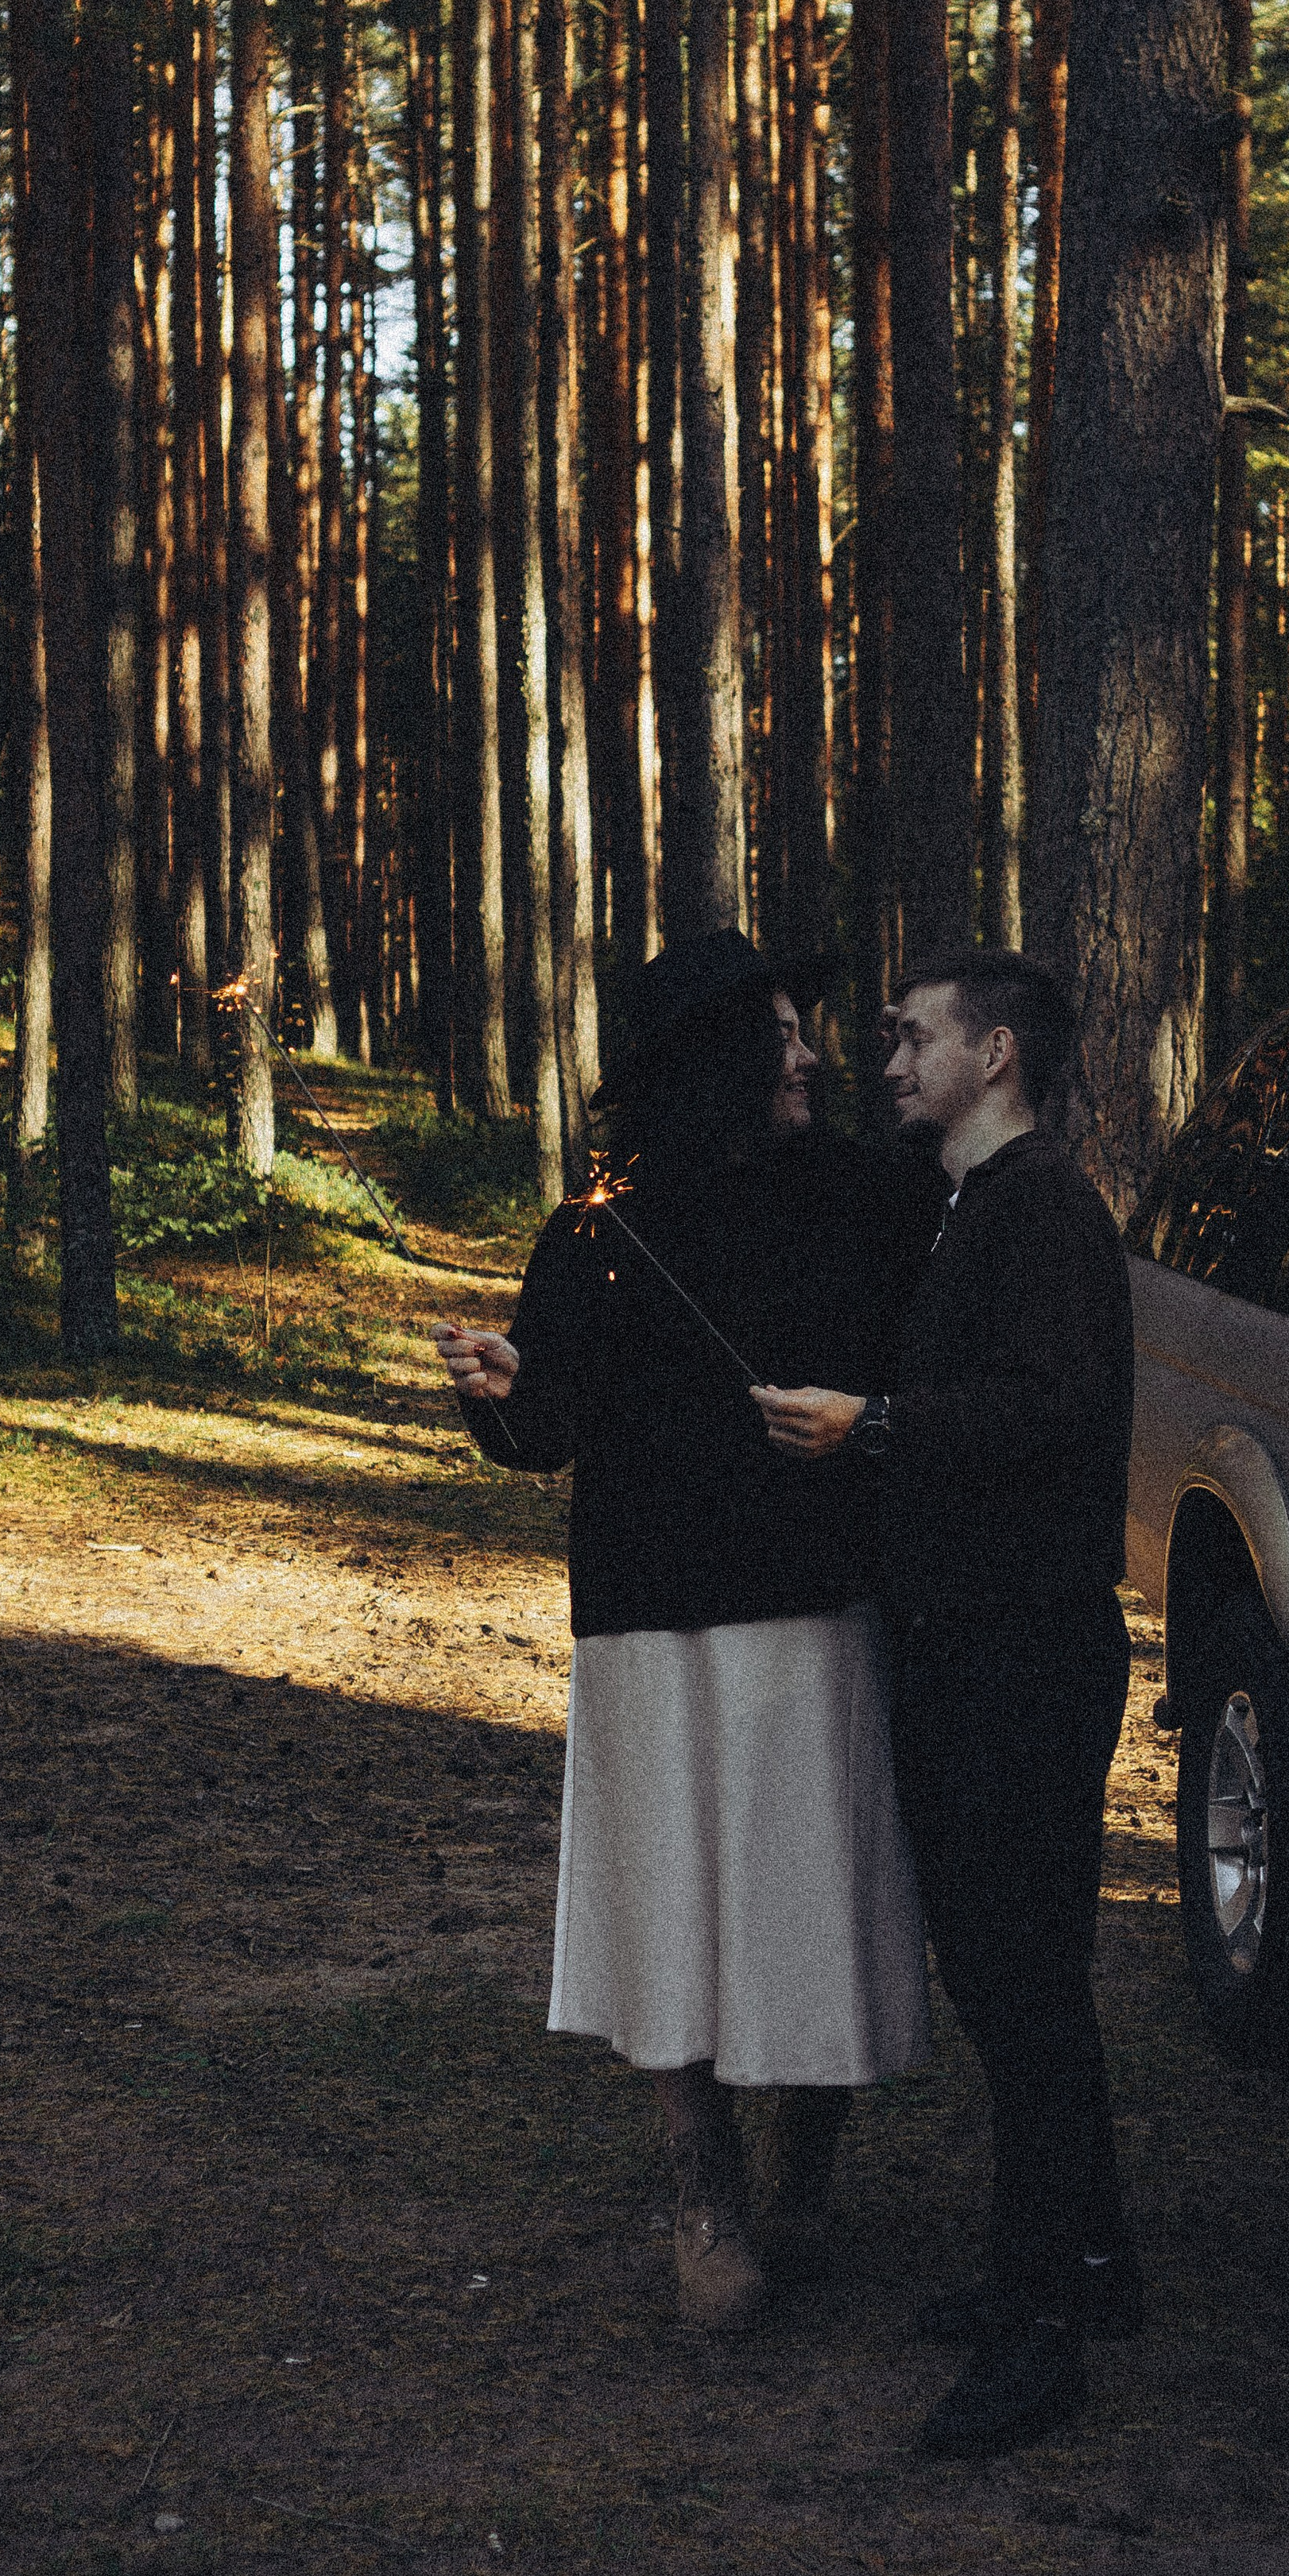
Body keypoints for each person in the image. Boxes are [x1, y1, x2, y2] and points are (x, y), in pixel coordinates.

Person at [431, 930, 937, 2334]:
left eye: (806, 1027)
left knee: (807, 1892)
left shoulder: (863, 1196)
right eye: (778, 1032)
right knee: (674, 1902)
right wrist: (496, 1386)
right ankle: (703, 2194)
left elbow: (915, 1381)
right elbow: (549, 1429)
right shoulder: (598, 1225)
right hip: (650, 1609)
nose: (810, 1054)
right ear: (711, 1056)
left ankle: (805, 2180)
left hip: (812, 1602)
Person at [753, 950, 1137, 2459]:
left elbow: (1056, 1407)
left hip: (1021, 1655)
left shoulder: (1043, 1209)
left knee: (1021, 1988)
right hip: (980, 1642)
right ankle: (1089, 2265)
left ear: (998, 1052)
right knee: (1024, 1979)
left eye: (914, 1038)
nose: (887, 1060)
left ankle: (1041, 2338)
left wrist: (876, 1427)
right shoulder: (979, 1206)